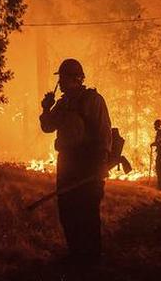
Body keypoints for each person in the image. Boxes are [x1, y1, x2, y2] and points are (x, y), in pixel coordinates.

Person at [39, 58, 112, 265]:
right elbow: (47, 127)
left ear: (77, 79)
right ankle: (75, 255)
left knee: (87, 212)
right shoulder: (62, 104)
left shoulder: (93, 100)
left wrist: (100, 165)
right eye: (60, 78)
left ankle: (91, 259)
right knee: (67, 210)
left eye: (64, 77)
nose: (60, 82)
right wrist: (46, 108)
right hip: (67, 162)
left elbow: (104, 134)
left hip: (88, 162)